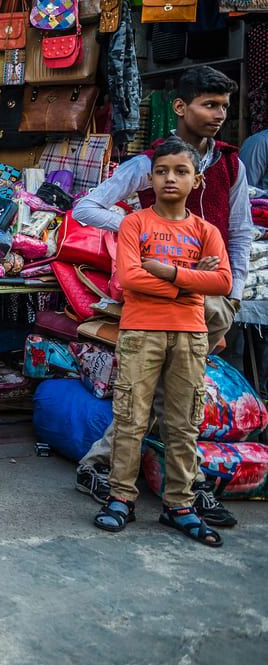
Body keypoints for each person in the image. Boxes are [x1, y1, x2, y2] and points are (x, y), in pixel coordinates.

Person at [72, 66, 246, 527]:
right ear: (180, 107)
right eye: (209, 105)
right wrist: (139, 232)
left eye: (224, 107)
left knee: (178, 406)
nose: (218, 115)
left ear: (195, 179)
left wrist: (234, 291)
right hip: (156, 308)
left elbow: (241, 235)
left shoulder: (230, 164)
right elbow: (87, 209)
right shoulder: (145, 163)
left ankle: (171, 492)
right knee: (145, 402)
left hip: (203, 310)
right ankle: (132, 483)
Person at [93, 137, 232, 547]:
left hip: (190, 335)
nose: (170, 178)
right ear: (150, 178)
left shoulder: (206, 231)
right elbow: (130, 278)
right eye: (162, 171)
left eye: (181, 171)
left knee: (183, 422)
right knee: (131, 417)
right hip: (140, 331)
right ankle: (121, 497)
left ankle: (180, 505)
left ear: (197, 179)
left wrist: (169, 273)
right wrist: (191, 281)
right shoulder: (135, 223)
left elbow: (222, 282)